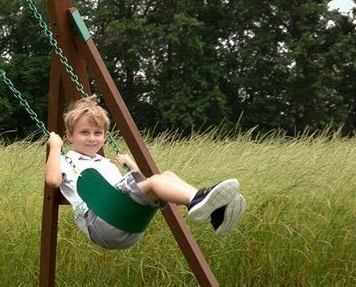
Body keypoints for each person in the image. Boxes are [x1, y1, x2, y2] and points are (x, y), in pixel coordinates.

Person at [45, 97, 244, 250]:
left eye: (98, 133)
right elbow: (52, 180)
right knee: (156, 182)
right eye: (84, 132)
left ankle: (215, 213)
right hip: (100, 224)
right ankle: (196, 200)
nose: (92, 138)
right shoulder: (65, 160)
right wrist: (55, 147)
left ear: (105, 136)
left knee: (167, 176)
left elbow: (135, 189)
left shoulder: (106, 164)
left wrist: (132, 166)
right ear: (69, 136)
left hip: (128, 225)